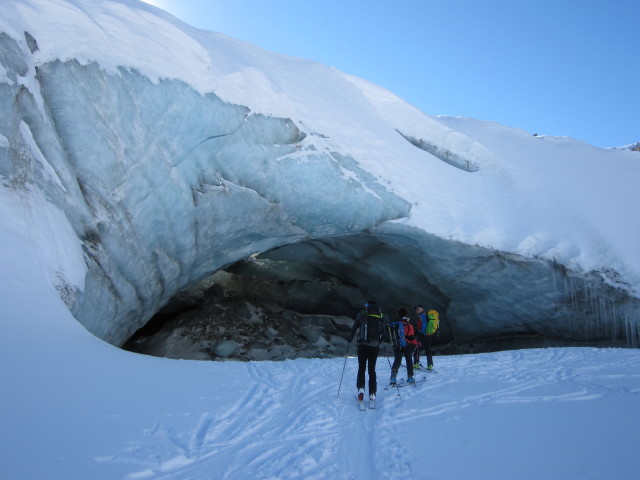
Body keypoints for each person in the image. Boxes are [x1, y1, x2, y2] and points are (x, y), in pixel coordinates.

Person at [347, 301, 388, 402]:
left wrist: (350, 338)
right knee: (372, 370)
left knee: (361, 368)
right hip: (375, 346)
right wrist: (380, 340)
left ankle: (361, 389)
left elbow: (355, 327)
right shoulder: (381, 315)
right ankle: (372, 393)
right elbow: (386, 332)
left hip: (363, 345)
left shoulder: (362, 314)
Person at [387, 306, 419, 385]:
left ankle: (393, 377)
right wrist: (416, 343)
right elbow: (411, 337)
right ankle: (410, 377)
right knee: (409, 361)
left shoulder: (396, 325)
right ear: (407, 316)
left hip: (397, 345)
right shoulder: (409, 326)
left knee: (397, 361)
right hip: (406, 346)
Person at [414, 305, 434, 370]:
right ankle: (430, 365)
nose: (417, 310)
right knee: (428, 349)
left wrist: (421, 332)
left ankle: (416, 363)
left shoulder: (422, 316)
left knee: (417, 348)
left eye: (419, 309)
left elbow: (424, 324)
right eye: (416, 309)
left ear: (422, 309)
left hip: (423, 335)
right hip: (429, 335)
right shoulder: (425, 315)